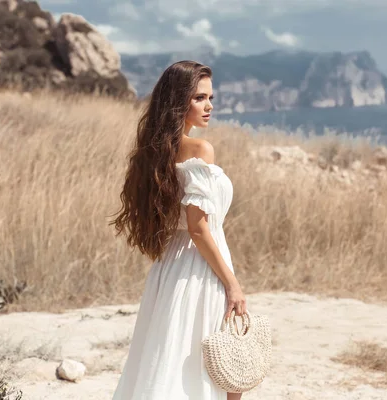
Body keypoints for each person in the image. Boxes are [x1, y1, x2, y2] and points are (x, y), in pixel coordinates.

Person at [110, 60, 247, 400]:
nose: (210, 106)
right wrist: (233, 284)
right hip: (200, 269)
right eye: (199, 98)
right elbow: (198, 229)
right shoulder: (201, 149)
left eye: (210, 97)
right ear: (178, 101)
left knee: (170, 361)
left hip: (171, 269)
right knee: (223, 364)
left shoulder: (155, 153)